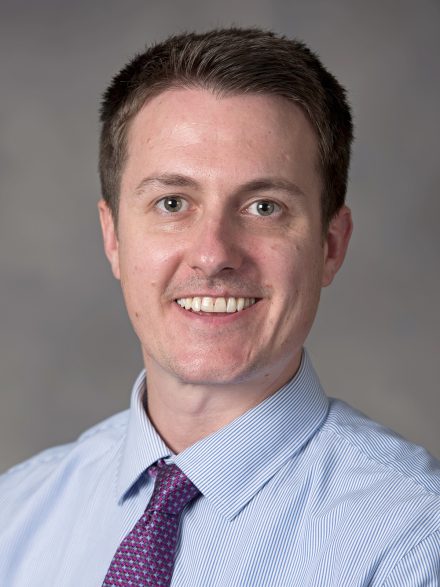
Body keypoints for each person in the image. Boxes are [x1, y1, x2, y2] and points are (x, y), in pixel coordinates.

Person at [0, 27, 439, 587]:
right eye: (172, 202)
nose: (213, 255)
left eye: (264, 206)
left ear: (331, 245)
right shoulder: (16, 517)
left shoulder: (413, 540)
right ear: (113, 238)